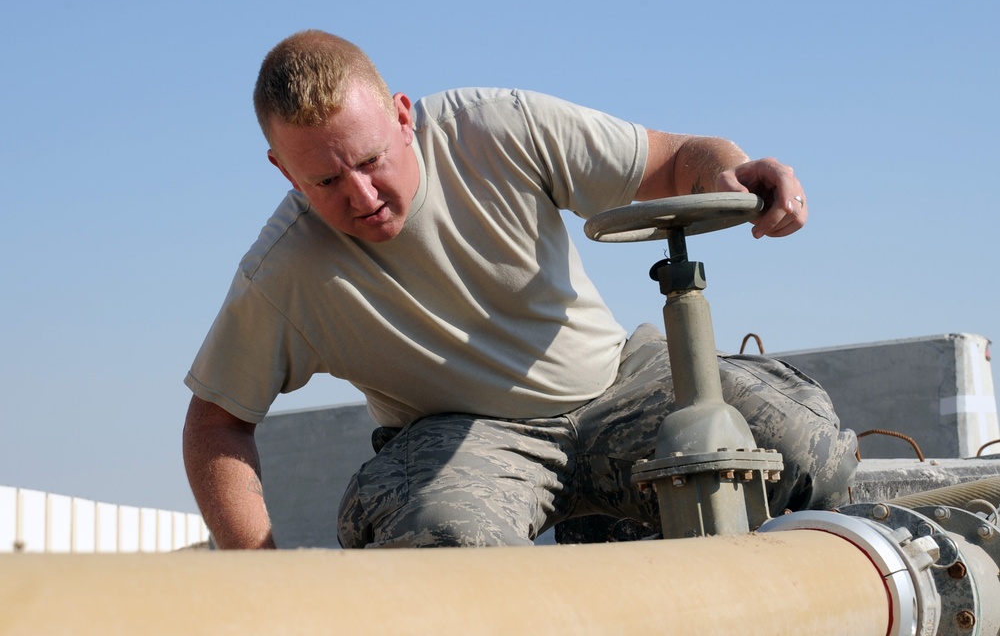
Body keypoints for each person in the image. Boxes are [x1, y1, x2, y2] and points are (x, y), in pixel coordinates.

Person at [182, 29, 857, 549]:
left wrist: (733, 171)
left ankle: (612, 533)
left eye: (369, 160)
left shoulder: (496, 131)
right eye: (326, 182)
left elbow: (677, 159)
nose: (361, 197)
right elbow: (216, 422)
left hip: (615, 386)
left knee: (801, 444)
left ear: (401, 115)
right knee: (440, 539)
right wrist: (257, 569)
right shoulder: (283, 272)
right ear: (283, 170)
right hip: (469, 442)